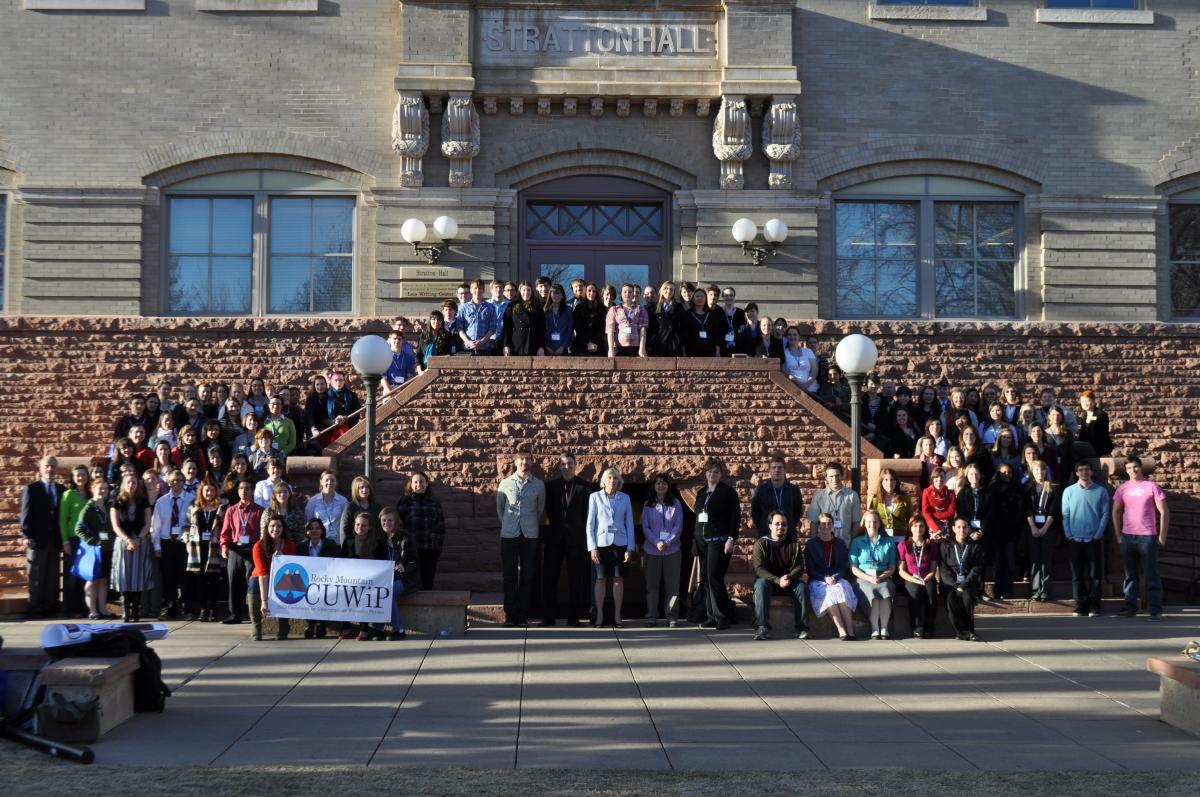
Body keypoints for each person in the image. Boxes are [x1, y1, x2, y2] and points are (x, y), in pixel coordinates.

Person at [540, 453, 595, 627]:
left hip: (577, 540)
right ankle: (549, 617)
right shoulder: (549, 487)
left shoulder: (585, 487)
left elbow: (588, 515)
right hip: (554, 539)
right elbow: (545, 510)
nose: (566, 467)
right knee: (550, 579)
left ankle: (574, 618)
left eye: (569, 463)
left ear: (575, 465)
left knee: (575, 580)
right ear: (559, 466)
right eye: (563, 464)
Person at [1113, 455, 1169, 621]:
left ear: (1140, 467)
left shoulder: (1152, 487)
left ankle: (1155, 610)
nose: (1132, 470)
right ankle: (1130, 608)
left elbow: (1164, 512)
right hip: (1128, 537)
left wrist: (1162, 535)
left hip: (1147, 537)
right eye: (1129, 468)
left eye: (1135, 466)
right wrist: (1118, 534)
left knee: (1151, 574)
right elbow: (1115, 511)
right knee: (1130, 574)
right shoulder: (1122, 488)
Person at [496, 450, 545, 627]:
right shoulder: (505, 483)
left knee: (527, 575)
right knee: (509, 575)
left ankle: (522, 615)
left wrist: (529, 523)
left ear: (531, 462)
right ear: (515, 462)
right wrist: (508, 524)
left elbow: (540, 510)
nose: (524, 462)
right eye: (521, 459)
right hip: (509, 534)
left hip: (530, 534)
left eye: (527, 459)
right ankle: (510, 616)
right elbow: (500, 509)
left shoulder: (538, 485)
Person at [585, 467, 637, 628]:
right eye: (609, 477)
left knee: (617, 579)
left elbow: (629, 523)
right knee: (600, 579)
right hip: (601, 544)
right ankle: (599, 614)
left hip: (620, 543)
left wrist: (630, 548)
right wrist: (592, 547)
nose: (612, 481)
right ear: (604, 480)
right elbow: (590, 524)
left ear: (619, 481)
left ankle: (617, 615)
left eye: (615, 478)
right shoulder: (594, 497)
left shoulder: (625, 498)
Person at [693, 458, 740, 630]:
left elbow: (736, 517)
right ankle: (710, 615)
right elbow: (697, 518)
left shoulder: (728, 493)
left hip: (719, 541)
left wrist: (731, 539)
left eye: (716, 472)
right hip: (702, 541)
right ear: (705, 473)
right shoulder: (701, 493)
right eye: (710, 471)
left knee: (714, 577)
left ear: (721, 475)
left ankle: (722, 616)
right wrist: (694, 540)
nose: (713, 474)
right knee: (706, 579)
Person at [1061, 461, 1111, 618]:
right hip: (1074, 539)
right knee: (1077, 575)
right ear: (1076, 473)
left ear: (1091, 472)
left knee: (1095, 575)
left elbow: (1105, 514)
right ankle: (1080, 605)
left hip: (1093, 539)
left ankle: (1095, 605)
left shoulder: (1101, 491)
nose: (1084, 472)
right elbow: (1065, 515)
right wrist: (1068, 534)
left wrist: (1098, 534)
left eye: (1087, 469)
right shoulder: (1069, 491)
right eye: (1080, 470)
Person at [751, 511, 810, 641]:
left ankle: (801, 628)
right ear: (770, 526)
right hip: (769, 582)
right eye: (777, 523)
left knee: (801, 587)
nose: (780, 527)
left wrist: (788, 578)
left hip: (788, 581)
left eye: (783, 524)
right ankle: (762, 627)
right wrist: (778, 580)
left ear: (787, 527)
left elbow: (799, 568)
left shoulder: (794, 545)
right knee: (760, 585)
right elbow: (758, 569)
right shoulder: (761, 544)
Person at [20, 455, 65, 618]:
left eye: (53, 466)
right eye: (47, 466)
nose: (50, 469)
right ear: (40, 468)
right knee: (36, 576)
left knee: (52, 576)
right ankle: (34, 608)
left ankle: (49, 607)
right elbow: (25, 515)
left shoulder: (62, 490)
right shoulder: (31, 489)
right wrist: (26, 535)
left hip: (54, 540)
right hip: (36, 541)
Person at [804, 513, 857, 640]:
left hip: (837, 578)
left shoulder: (839, 544)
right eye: (823, 524)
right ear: (818, 526)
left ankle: (850, 630)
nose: (826, 526)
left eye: (829, 523)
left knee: (841, 590)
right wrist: (825, 578)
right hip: (818, 580)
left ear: (833, 526)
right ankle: (842, 630)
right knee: (829, 594)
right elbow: (811, 569)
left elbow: (843, 566)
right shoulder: (811, 545)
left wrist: (835, 577)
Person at [110, 471, 154, 623]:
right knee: (124, 576)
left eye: (134, 482)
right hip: (123, 543)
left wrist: (139, 539)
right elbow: (115, 526)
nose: (131, 485)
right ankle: (125, 610)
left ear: (138, 484)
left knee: (138, 577)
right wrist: (128, 540)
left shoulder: (143, 501)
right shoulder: (116, 501)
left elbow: (148, 523)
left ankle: (136, 609)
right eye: (128, 482)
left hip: (140, 542)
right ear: (123, 484)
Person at [151, 469, 194, 619]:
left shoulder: (191, 499)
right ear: (168, 483)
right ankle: (169, 608)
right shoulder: (161, 502)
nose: (176, 483)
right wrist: (156, 546)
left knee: (185, 576)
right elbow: (155, 526)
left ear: (184, 482)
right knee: (168, 577)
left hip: (184, 543)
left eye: (179, 480)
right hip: (167, 543)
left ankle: (186, 608)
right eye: (173, 481)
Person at [641, 472, 683, 628]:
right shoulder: (648, 505)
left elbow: (678, 527)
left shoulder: (676, 503)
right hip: (652, 551)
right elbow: (645, 527)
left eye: (664, 483)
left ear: (668, 486)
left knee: (672, 588)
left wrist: (667, 542)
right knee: (652, 586)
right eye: (658, 483)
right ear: (654, 486)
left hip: (672, 551)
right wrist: (657, 542)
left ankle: (672, 616)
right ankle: (651, 615)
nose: (661, 486)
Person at [219, 479, 263, 625]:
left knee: (251, 581)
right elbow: (225, 532)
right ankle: (234, 615)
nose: (244, 491)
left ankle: (253, 614)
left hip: (252, 547)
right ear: (238, 491)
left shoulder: (259, 511)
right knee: (233, 581)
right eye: (242, 488)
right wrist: (224, 547)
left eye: (248, 488)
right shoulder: (231, 510)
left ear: (252, 491)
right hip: (236, 548)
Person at [848, 510, 897, 639]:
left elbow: (892, 566)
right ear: (864, 523)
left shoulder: (888, 542)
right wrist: (868, 578)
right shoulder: (857, 542)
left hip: (883, 576)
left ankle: (884, 628)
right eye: (869, 521)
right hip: (863, 577)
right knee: (871, 590)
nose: (872, 524)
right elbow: (853, 567)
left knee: (885, 589)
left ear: (880, 523)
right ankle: (875, 628)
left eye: (875, 521)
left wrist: (882, 576)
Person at [395, 470, 446, 590]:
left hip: (429, 549)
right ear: (411, 485)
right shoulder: (405, 501)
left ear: (427, 484)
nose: (419, 484)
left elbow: (440, 526)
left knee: (427, 583)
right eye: (416, 482)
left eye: (422, 481)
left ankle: (427, 609)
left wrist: (438, 547)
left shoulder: (435, 502)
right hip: (411, 550)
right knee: (410, 583)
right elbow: (398, 526)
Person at [73, 478, 115, 619]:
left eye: (105, 488)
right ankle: (93, 611)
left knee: (103, 580)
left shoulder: (109, 506)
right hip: (95, 550)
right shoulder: (89, 507)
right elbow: (78, 528)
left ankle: (103, 609)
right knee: (92, 579)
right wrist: (92, 540)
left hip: (108, 548)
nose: (103, 491)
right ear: (93, 489)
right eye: (100, 488)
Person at [185, 476, 226, 622]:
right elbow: (186, 525)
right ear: (201, 491)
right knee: (200, 580)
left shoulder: (221, 507)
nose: (209, 493)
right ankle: (203, 610)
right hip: (197, 547)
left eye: (212, 490)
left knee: (214, 580)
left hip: (214, 547)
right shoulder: (194, 506)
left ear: (216, 491)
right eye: (206, 490)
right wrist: (187, 541)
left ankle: (213, 610)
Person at [250, 514, 296, 641]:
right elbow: (262, 573)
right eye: (272, 526)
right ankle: (256, 626)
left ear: (283, 528)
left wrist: (282, 561)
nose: (275, 529)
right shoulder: (258, 546)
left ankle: (283, 626)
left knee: (288, 585)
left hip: (283, 578)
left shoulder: (289, 545)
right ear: (266, 528)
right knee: (253, 584)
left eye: (279, 526)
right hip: (262, 577)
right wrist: (264, 601)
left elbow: (291, 570)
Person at [940, 516, 985, 641]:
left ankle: (969, 631)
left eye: (965, 527)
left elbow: (976, 569)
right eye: (958, 527)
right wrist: (955, 585)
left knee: (967, 598)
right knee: (950, 599)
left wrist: (963, 585)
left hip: (968, 583)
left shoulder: (975, 547)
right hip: (950, 583)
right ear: (953, 528)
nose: (962, 530)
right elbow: (943, 568)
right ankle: (964, 632)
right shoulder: (946, 545)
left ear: (969, 528)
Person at [380, 506, 421, 640]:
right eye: (384, 521)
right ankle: (377, 628)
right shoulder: (380, 538)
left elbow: (415, 561)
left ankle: (399, 629)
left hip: (406, 579)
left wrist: (405, 567)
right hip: (386, 578)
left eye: (390, 520)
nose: (386, 524)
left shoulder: (406, 538)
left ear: (396, 522)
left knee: (387, 592)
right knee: (380, 591)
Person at [987, 464, 1026, 601]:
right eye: (1003, 472)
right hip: (995, 532)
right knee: (998, 563)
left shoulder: (1018, 489)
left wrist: (1013, 526)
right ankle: (998, 591)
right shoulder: (992, 489)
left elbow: (1021, 511)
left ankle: (1008, 591)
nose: (1006, 475)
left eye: (1009, 472)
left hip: (1011, 532)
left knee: (1010, 562)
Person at [58, 463, 91, 618]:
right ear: (73, 477)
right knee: (71, 577)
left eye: (83, 474)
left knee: (84, 576)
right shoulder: (68, 494)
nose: (81, 478)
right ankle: (69, 609)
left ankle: (82, 608)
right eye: (78, 475)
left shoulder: (90, 493)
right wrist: (65, 541)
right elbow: (63, 520)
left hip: (88, 541)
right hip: (73, 540)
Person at [897, 517, 939, 639]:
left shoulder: (931, 545)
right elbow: (901, 570)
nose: (918, 529)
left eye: (921, 526)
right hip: (910, 578)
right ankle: (916, 627)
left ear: (925, 528)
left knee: (931, 594)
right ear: (910, 528)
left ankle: (929, 627)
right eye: (915, 526)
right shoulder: (903, 545)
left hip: (927, 577)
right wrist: (913, 579)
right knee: (914, 592)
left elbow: (933, 569)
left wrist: (925, 579)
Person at [1025, 459, 1060, 603]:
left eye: (1042, 470)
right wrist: (1033, 527)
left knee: (1046, 560)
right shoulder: (1028, 488)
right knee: (1035, 560)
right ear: (1032, 473)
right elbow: (1027, 509)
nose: (1040, 473)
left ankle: (1045, 590)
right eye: (1037, 470)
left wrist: (1045, 528)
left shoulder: (1052, 488)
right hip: (1032, 528)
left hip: (1048, 528)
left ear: (1046, 472)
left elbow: (1053, 510)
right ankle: (1035, 590)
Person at [298, 518, 339, 639]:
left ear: (322, 531)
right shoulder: (301, 546)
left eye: (317, 528)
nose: (314, 531)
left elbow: (335, 563)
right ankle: (310, 624)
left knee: (324, 592)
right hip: (308, 580)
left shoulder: (330, 544)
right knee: (308, 592)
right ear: (307, 532)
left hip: (327, 579)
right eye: (311, 528)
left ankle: (322, 623)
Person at [750, 455, 804, 541]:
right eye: (774, 467)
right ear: (769, 471)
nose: (777, 470)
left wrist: (787, 525)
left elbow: (797, 513)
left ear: (785, 470)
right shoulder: (761, 490)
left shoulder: (794, 490)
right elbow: (755, 514)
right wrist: (765, 525)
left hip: (788, 536)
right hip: (766, 535)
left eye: (780, 467)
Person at [806, 462, 861, 546]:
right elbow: (814, 523)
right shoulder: (818, 497)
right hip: (823, 546)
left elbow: (856, 523)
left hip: (845, 546)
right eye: (831, 476)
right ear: (826, 478)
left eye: (837, 475)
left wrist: (852, 545)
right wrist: (815, 545)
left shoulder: (852, 496)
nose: (834, 479)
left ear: (842, 476)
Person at [305, 469, 349, 547]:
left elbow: (346, 522)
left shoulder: (343, 501)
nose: (329, 483)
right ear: (321, 482)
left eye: (332, 480)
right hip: (318, 542)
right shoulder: (313, 501)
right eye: (327, 480)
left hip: (337, 543)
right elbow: (308, 521)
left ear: (336, 483)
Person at [502, 280, 546, 356]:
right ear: (519, 292)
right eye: (524, 290)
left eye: (528, 290)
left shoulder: (538, 307)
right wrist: (506, 345)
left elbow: (542, 329)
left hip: (533, 345)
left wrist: (541, 347)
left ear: (532, 292)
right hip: (517, 345)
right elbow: (507, 328)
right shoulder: (511, 307)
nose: (526, 292)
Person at [868, 467, 912, 540]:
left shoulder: (905, 498)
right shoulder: (876, 499)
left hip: (900, 538)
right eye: (886, 480)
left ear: (896, 482)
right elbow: (870, 518)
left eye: (892, 480)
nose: (889, 483)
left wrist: (910, 538)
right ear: (881, 482)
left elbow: (911, 520)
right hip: (881, 538)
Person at [605, 283, 648, 357]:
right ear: (621, 294)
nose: (627, 293)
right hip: (618, 348)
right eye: (625, 291)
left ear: (633, 295)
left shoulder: (640, 309)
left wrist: (642, 349)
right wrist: (611, 349)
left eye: (630, 292)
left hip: (635, 348)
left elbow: (643, 330)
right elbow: (610, 331)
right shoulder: (614, 309)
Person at [459, 278, 499, 355]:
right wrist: (468, 342)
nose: (478, 290)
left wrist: (482, 342)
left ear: (483, 290)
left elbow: (492, 328)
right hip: (467, 348)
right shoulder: (463, 308)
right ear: (471, 290)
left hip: (485, 348)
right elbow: (460, 328)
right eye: (475, 288)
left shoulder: (490, 307)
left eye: (480, 288)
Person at [340, 475, 382, 546]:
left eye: (367, 487)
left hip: (373, 547)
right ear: (356, 489)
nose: (364, 490)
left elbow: (379, 528)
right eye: (361, 487)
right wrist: (347, 548)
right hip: (354, 546)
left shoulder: (376, 507)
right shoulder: (350, 507)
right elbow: (344, 529)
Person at [682, 287, 721, 357]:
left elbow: (716, 333)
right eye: (697, 296)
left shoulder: (712, 314)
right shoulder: (687, 314)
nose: (700, 298)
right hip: (692, 351)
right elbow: (684, 334)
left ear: (705, 299)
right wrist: (684, 351)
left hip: (709, 350)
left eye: (702, 296)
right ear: (693, 299)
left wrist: (717, 350)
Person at [649, 281, 684, 357]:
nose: (668, 291)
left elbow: (683, 327)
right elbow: (650, 327)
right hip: (659, 345)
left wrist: (679, 341)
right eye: (666, 288)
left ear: (674, 292)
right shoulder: (653, 307)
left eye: (671, 289)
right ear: (661, 290)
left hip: (674, 346)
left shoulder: (679, 307)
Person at [921, 467, 957, 539]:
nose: (939, 479)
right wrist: (936, 529)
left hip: (948, 525)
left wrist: (935, 515)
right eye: (936, 477)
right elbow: (926, 512)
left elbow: (951, 512)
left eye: (942, 476)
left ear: (945, 478)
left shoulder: (951, 493)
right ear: (932, 479)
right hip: (932, 525)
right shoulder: (927, 492)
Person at [269, 480, 306, 546]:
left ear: (289, 494)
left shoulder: (297, 512)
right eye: (279, 492)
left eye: (285, 492)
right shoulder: (268, 512)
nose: (282, 494)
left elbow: (301, 533)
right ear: (274, 495)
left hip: (292, 547)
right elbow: (264, 533)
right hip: (272, 546)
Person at [572, 283, 607, 356]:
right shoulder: (579, 308)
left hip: (597, 346)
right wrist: (588, 342)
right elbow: (577, 327)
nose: (592, 293)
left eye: (594, 291)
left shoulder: (602, 308)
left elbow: (602, 327)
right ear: (585, 292)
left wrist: (596, 343)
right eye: (589, 291)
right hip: (581, 345)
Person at [782, 326, 818, 392]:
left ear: (799, 337)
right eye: (790, 335)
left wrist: (806, 385)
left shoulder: (808, 351)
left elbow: (814, 370)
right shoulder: (783, 352)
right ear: (787, 337)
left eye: (795, 334)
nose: (792, 337)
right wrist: (796, 382)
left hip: (810, 388)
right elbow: (783, 371)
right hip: (793, 387)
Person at [1077, 389, 1113, 457]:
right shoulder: (1084, 415)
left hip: (1098, 447)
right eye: (1082, 402)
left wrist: (1104, 452)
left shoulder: (1101, 415)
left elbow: (1103, 435)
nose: (1085, 404)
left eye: (1087, 401)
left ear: (1093, 401)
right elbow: (1082, 434)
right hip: (1087, 445)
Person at [383, 322, 417, 393]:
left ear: (402, 341)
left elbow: (410, 377)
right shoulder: (385, 357)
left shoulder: (408, 358)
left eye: (399, 339)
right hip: (389, 388)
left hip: (404, 388)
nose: (397, 341)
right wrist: (390, 393)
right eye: (394, 338)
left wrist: (403, 392)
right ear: (390, 340)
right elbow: (383, 378)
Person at [715, 286, 746, 357]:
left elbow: (743, 330)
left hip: (738, 349)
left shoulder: (741, 312)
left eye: (731, 295)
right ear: (723, 297)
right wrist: (717, 350)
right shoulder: (717, 312)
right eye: (726, 295)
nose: (729, 298)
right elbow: (716, 333)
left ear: (734, 297)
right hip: (722, 349)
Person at [543, 283, 573, 355]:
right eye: (554, 293)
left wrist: (563, 347)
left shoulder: (568, 310)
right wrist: (546, 347)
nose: (556, 296)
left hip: (562, 348)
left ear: (562, 295)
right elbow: (541, 330)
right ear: (550, 295)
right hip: (548, 348)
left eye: (559, 293)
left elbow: (570, 330)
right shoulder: (544, 310)